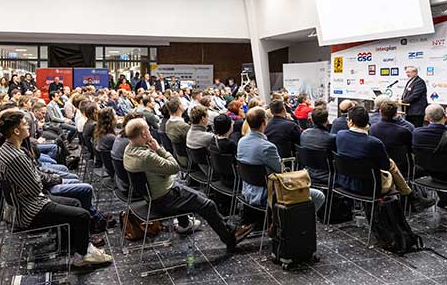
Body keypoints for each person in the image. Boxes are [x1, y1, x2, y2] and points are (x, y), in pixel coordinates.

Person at [0, 110, 113, 267]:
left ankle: (75, 246)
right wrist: (35, 181)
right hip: (30, 209)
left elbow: (33, 180)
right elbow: (36, 187)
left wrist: (34, 180)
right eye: (24, 124)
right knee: (82, 215)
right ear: (16, 131)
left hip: (26, 201)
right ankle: (82, 257)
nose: (28, 125)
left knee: (75, 204)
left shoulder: (6, 149)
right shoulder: (16, 156)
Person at [123, 118, 252, 252]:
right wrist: (159, 149)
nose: (150, 131)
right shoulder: (145, 156)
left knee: (199, 196)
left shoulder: (128, 150)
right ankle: (230, 239)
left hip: (153, 195)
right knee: (208, 205)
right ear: (144, 134)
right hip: (164, 198)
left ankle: (221, 228)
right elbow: (174, 167)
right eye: (148, 130)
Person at [336, 106, 434, 212]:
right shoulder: (374, 142)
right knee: (390, 163)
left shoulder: (340, 135)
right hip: (370, 187)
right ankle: (410, 196)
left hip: (344, 182)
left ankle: (411, 196)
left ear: (350, 122)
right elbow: (385, 166)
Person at [237, 107, 325, 212]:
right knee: (319, 195)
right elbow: (281, 171)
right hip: (267, 194)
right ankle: (300, 222)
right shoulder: (267, 147)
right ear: (264, 122)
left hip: (247, 190)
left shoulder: (241, 141)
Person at [412, 104, 447, 210]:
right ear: (445, 116)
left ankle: (445, 200)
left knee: (437, 162)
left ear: (427, 118)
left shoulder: (417, 133)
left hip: (431, 174)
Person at [299, 107, 336, 183]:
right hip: (327, 175)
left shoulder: (304, 134)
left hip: (307, 172)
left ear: (312, 120)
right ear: (326, 120)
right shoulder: (331, 138)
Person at [165, 97, 190, 164]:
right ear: (179, 106)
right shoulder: (183, 126)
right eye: (182, 103)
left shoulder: (167, 123)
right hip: (188, 159)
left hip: (178, 157)